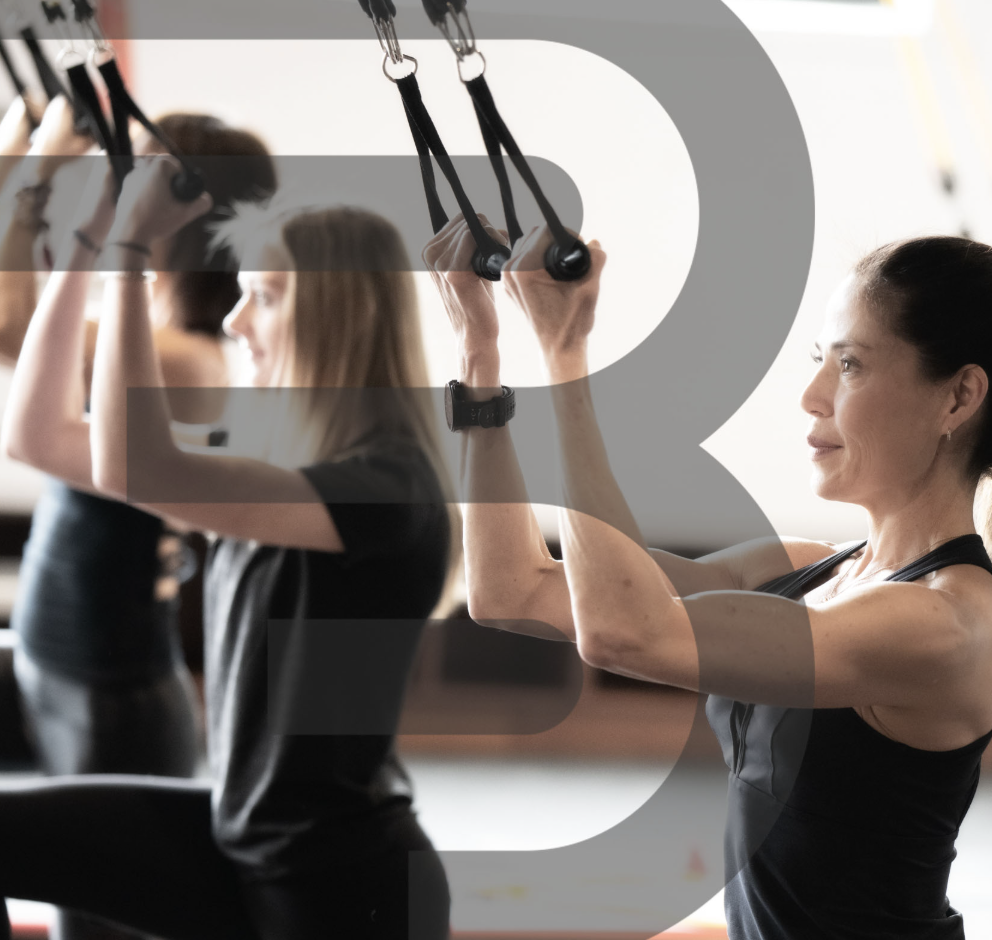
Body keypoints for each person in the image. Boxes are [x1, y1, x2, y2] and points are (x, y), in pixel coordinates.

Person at [423, 217, 992, 938]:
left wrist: (566, 357)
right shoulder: (801, 569)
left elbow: (624, 634)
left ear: (958, 397)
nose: (812, 395)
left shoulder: (948, 624)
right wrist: (481, 355)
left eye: (849, 366)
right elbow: (514, 589)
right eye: (820, 359)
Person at [0, 153, 454, 940]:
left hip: (338, 881)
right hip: (242, 836)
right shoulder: (276, 466)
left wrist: (131, 256)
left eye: (266, 296)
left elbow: (135, 463)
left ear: (335, 320)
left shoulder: (384, 486)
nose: (238, 321)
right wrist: (88, 239)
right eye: (242, 292)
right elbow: (35, 435)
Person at [0, 95, 276, 940]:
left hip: (109, 691)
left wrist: (42, 169)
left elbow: (11, 325)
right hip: (56, 655)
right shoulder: (155, 335)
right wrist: (22, 152)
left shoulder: (188, 357)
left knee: (95, 925)